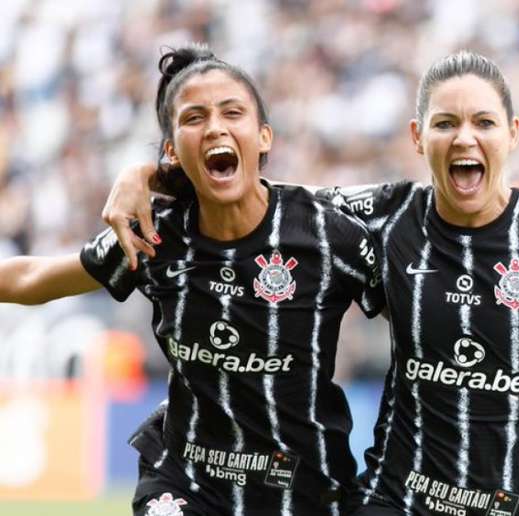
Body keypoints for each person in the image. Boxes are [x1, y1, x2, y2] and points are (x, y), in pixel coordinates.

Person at [103, 51, 519, 515]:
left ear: (512, 134)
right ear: (417, 137)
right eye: (446, 123)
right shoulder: (380, 216)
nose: (465, 137)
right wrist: (147, 175)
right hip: (399, 496)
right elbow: (252, 197)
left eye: (483, 122)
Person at [0, 44, 391, 515]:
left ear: (264, 136)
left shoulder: (327, 235)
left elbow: (418, 318)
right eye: (194, 118)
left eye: (232, 112)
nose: (215, 127)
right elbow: (33, 278)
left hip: (306, 490)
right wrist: (139, 177)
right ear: (170, 151)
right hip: (187, 483)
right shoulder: (153, 234)